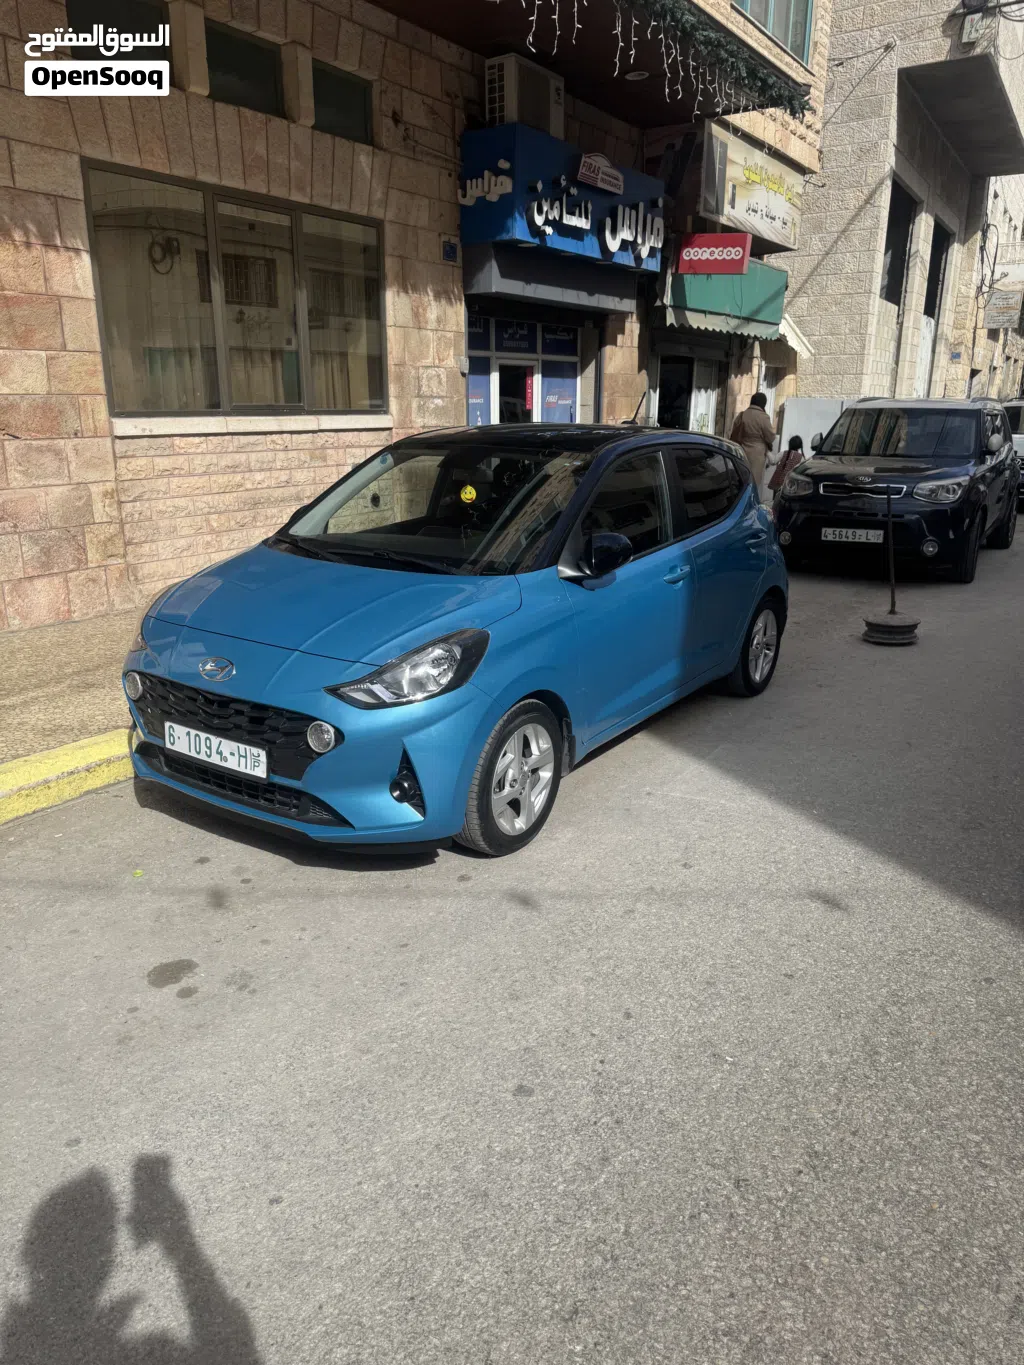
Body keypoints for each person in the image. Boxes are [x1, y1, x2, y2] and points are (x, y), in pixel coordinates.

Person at [729, 392, 777, 495]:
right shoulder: (763, 417)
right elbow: (771, 437)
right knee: (755, 482)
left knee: (742, 479)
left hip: (742, 451)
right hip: (758, 454)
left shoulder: (742, 415)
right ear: (763, 403)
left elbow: (734, 434)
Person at [768, 434, 805, 504]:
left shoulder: (783, 453)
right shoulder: (802, 458)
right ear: (800, 446)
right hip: (791, 486)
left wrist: (766, 451)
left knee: (775, 501)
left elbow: (773, 461)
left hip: (778, 483)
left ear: (790, 444)